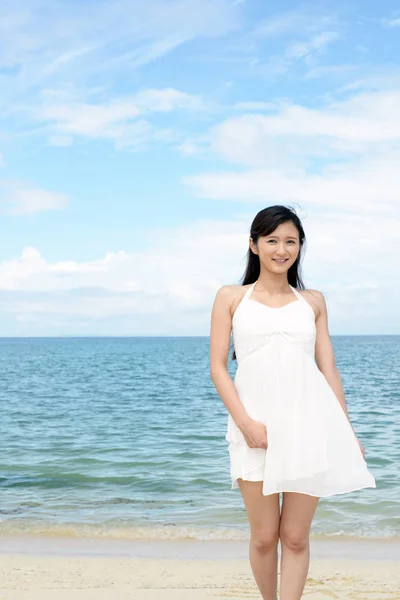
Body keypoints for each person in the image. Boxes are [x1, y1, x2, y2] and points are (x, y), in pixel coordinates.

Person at [209, 205, 376, 600]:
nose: (281, 250)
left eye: (290, 241)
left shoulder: (313, 301)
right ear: (253, 245)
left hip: (309, 426)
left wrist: (346, 431)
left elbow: (329, 369)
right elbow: (218, 366)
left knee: (296, 538)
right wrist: (246, 423)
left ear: (300, 247)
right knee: (265, 537)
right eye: (271, 241)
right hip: (254, 428)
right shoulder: (231, 298)